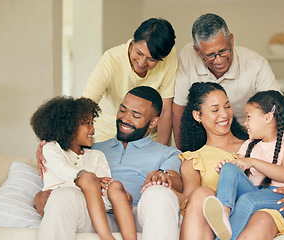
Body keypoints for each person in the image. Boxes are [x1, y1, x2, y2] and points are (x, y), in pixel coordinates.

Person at [34, 86, 182, 240]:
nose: (125, 119)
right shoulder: (92, 149)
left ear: (153, 122)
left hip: (140, 216)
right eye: (123, 110)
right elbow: (63, 161)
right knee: (64, 195)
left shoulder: (167, 153)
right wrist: (39, 195)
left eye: (135, 115)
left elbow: (176, 182)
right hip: (97, 214)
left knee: (159, 192)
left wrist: (162, 177)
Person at [176, 82, 284, 240]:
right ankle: (223, 216)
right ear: (198, 115)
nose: (225, 114)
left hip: (262, 210)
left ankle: (224, 222)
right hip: (215, 220)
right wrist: (168, 190)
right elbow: (191, 204)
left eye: (227, 106)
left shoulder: (253, 143)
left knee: (261, 216)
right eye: (215, 109)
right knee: (206, 191)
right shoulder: (193, 160)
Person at [172, 13, 284, 152]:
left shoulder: (255, 64)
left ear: (231, 40)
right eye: (210, 55)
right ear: (197, 51)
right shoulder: (188, 56)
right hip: (205, 135)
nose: (219, 60)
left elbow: (278, 103)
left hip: (247, 133)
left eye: (223, 51)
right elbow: (179, 108)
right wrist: (182, 153)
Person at [30, 97, 136, 240]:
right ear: (68, 126)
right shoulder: (51, 148)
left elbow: (103, 195)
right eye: (87, 124)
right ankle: (107, 237)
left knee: (115, 185)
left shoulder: (97, 156)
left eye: (92, 123)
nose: (92, 129)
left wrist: (118, 197)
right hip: (64, 204)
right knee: (84, 180)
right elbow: (66, 172)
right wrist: (90, 179)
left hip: (92, 215)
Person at [83, 17, 177, 145]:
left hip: (148, 138)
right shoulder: (111, 60)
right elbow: (86, 105)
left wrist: (161, 151)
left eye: (151, 59)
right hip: (108, 135)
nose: (142, 62)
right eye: (139, 53)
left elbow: (166, 110)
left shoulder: (169, 58)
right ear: (133, 42)